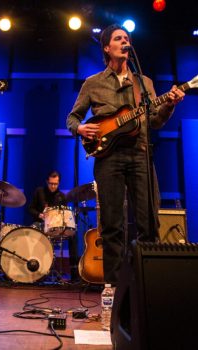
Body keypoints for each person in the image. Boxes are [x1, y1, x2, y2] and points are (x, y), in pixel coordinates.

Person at [66, 24, 185, 285]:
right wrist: (81, 128)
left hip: (141, 154)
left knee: (149, 224)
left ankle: (145, 285)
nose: (124, 41)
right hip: (108, 159)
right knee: (112, 226)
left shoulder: (145, 83)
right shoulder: (93, 83)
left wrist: (169, 106)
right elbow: (72, 118)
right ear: (107, 48)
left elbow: (154, 121)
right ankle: (114, 290)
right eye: (118, 38)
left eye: (126, 38)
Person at [28, 170, 79, 281]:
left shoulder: (62, 197)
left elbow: (65, 216)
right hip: (41, 224)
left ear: (59, 183)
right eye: (51, 183)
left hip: (56, 227)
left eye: (55, 184)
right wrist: (40, 214)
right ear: (47, 182)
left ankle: (74, 271)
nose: (53, 186)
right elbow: (30, 209)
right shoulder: (39, 192)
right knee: (33, 228)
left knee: (73, 235)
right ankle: (35, 269)